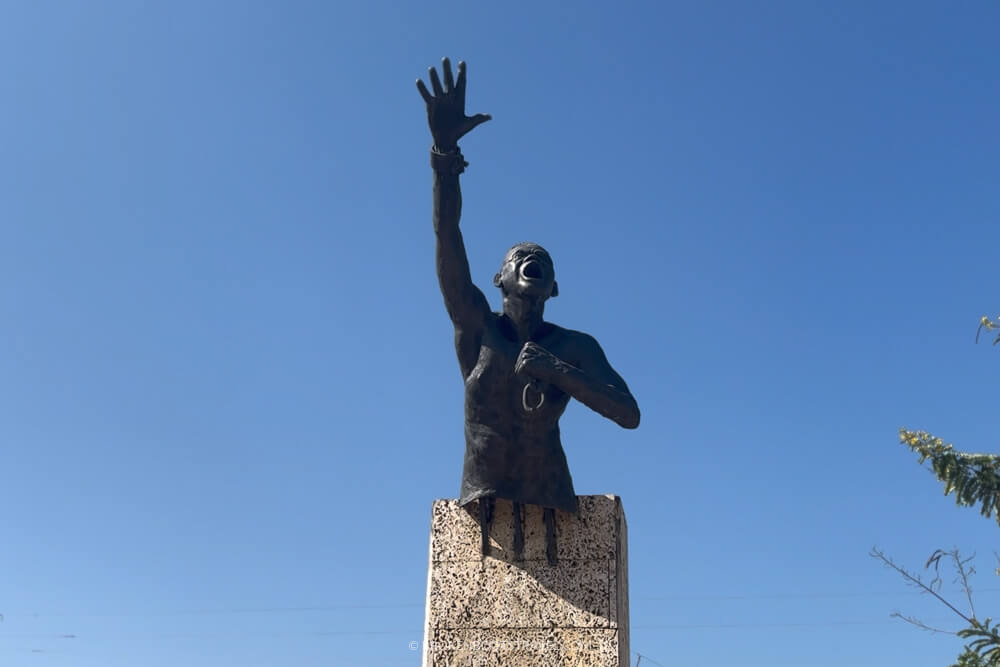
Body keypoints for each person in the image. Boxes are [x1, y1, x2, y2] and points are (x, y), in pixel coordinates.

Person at [417, 58, 640, 564]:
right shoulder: (476, 327)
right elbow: (447, 241)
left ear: (553, 287)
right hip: (485, 498)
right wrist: (444, 155)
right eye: (518, 257)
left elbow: (628, 413)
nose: (529, 259)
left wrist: (557, 371)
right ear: (500, 280)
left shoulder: (574, 347)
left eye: (541, 260)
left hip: (551, 500)